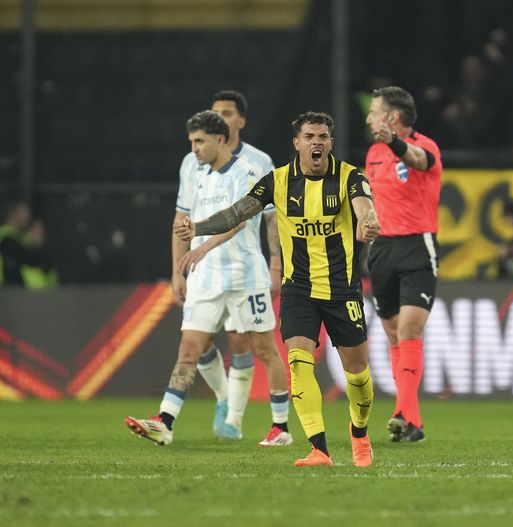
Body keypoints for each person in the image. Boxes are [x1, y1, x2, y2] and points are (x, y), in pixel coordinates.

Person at [175, 111, 381, 467]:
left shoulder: (350, 176)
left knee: (358, 375)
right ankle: (318, 448)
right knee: (299, 362)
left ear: (331, 143)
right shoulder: (277, 182)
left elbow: (365, 207)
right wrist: (198, 228)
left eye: (323, 137)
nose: (317, 142)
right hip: (298, 288)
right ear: (297, 143)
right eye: (310, 136)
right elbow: (237, 213)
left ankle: (360, 434)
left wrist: (368, 220)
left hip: (342, 289)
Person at [124, 110, 290, 446]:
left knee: (264, 349)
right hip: (206, 278)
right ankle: (165, 422)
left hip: (245, 275)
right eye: (192, 142)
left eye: (200, 141)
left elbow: (238, 221)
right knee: (190, 348)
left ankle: (281, 428)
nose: (195, 149)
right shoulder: (199, 175)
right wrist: (181, 264)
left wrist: (201, 247)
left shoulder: (246, 173)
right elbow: (183, 221)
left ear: (220, 139)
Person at [173, 90, 291, 446]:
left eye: (227, 112)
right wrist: (176, 269)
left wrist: (275, 263)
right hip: (204, 271)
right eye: (216, 112)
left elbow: (266, 218)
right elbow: (181, 217)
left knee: (248, 344)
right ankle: (224, 401)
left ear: (239, 121)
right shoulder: (193, 163)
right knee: (197, 342)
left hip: (243, 269)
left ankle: (238, 420)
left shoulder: (257, 162)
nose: (221, 116)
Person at [365, 86, 441, 443]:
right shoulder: (373, 154)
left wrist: (395, 142)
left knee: (410, 330)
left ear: (392, 117)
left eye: (374, 110)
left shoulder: (425, 146)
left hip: (416, 247)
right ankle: (411, 422)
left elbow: (419, 160)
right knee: (394, 335)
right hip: (381, 251)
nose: (368, 117)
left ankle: (400, 411)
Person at [0, 199, 58, 289]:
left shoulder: (20, 238)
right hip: (8, 292)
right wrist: (36, 246)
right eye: (25, 213)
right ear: (13, 214)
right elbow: (29, 259)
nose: (28, 217)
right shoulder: (7, 239)